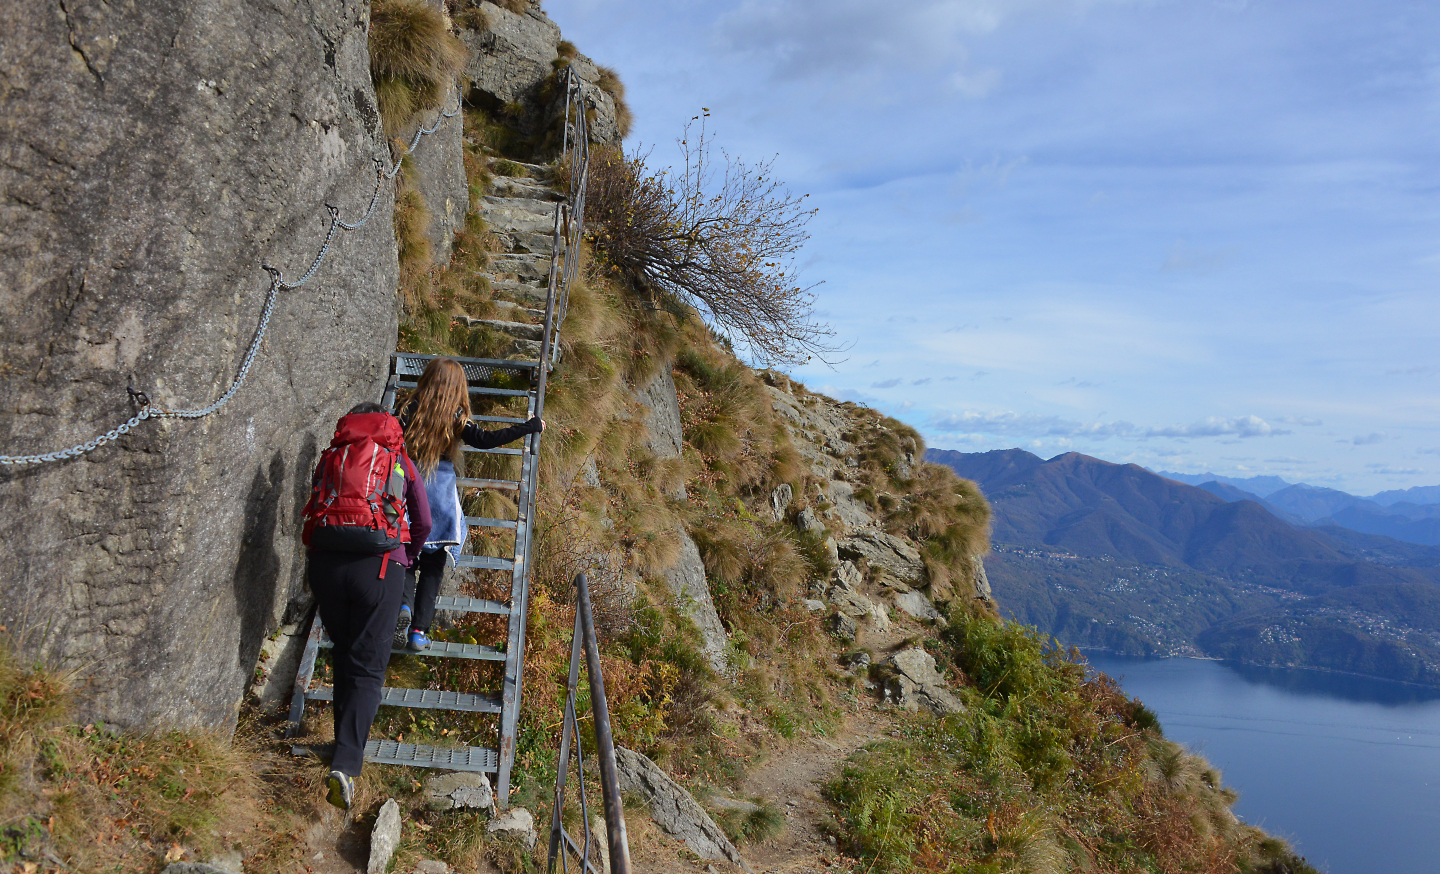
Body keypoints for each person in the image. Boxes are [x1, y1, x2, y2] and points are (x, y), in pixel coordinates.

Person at [302, 401, 431, 810]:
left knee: (345, 653)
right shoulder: (397, 460)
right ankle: (345, 763)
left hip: (325, 565)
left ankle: (343, 746)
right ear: (388, 426)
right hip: (379, 568)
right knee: (368, 666)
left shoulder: (333, 455)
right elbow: (424, 520)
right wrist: (407, 558)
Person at [394, 357, 543, 652]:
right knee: (434, 566)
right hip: (439, 495)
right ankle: (419, 632)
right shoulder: (456, 416)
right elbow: (486, 440)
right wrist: (528, 427)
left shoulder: (406, 407)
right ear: (458, 387)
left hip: (406, 486)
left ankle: (404, 607)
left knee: (408, 557)